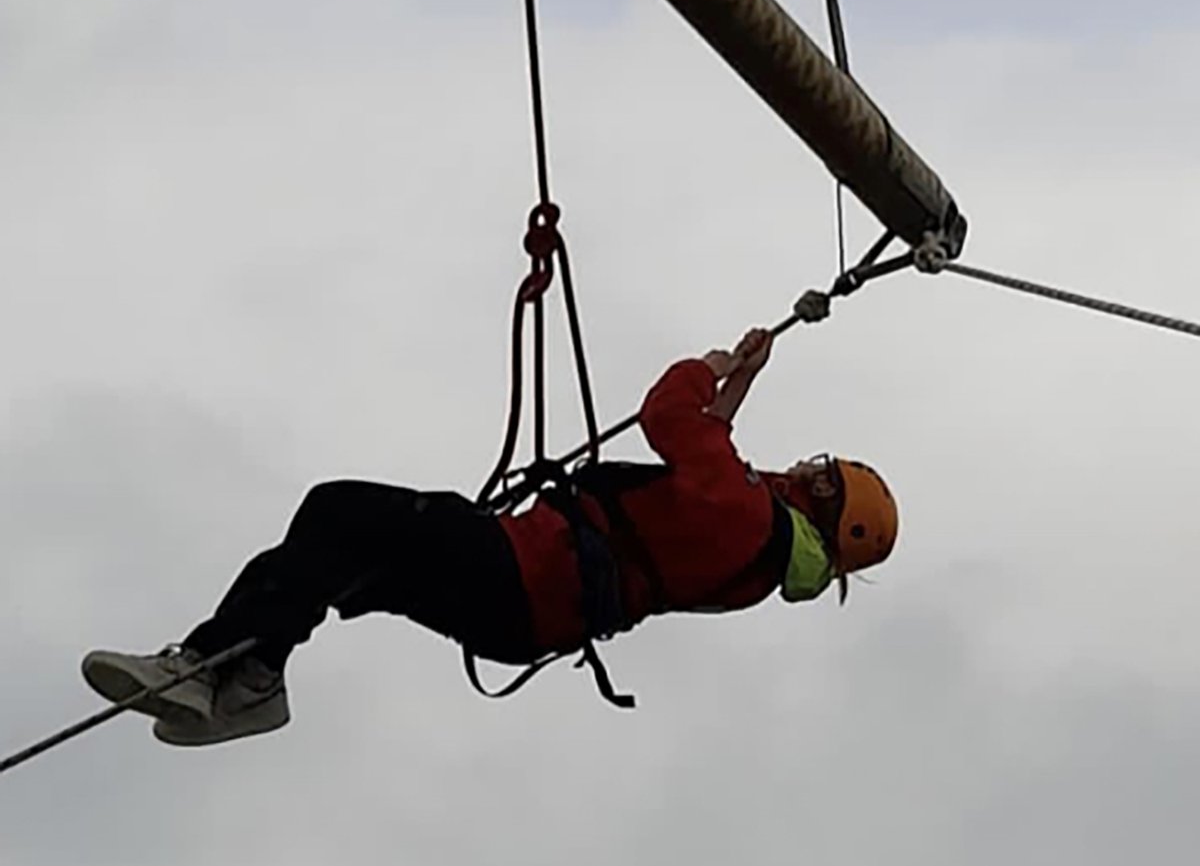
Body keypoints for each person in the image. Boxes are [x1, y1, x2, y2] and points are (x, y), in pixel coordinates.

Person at [81, 318, 899, 746]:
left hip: (523, 569)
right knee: (342, 555)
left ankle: (225, 668)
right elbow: (702, 474)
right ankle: (245, 675)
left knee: (341, 513)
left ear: (821, 506)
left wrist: (712, 366)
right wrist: (741, 388)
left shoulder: (746, 510)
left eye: (822, 479)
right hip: (529, 604)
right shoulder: (753, 554)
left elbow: (670, 418)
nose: (806, 470)